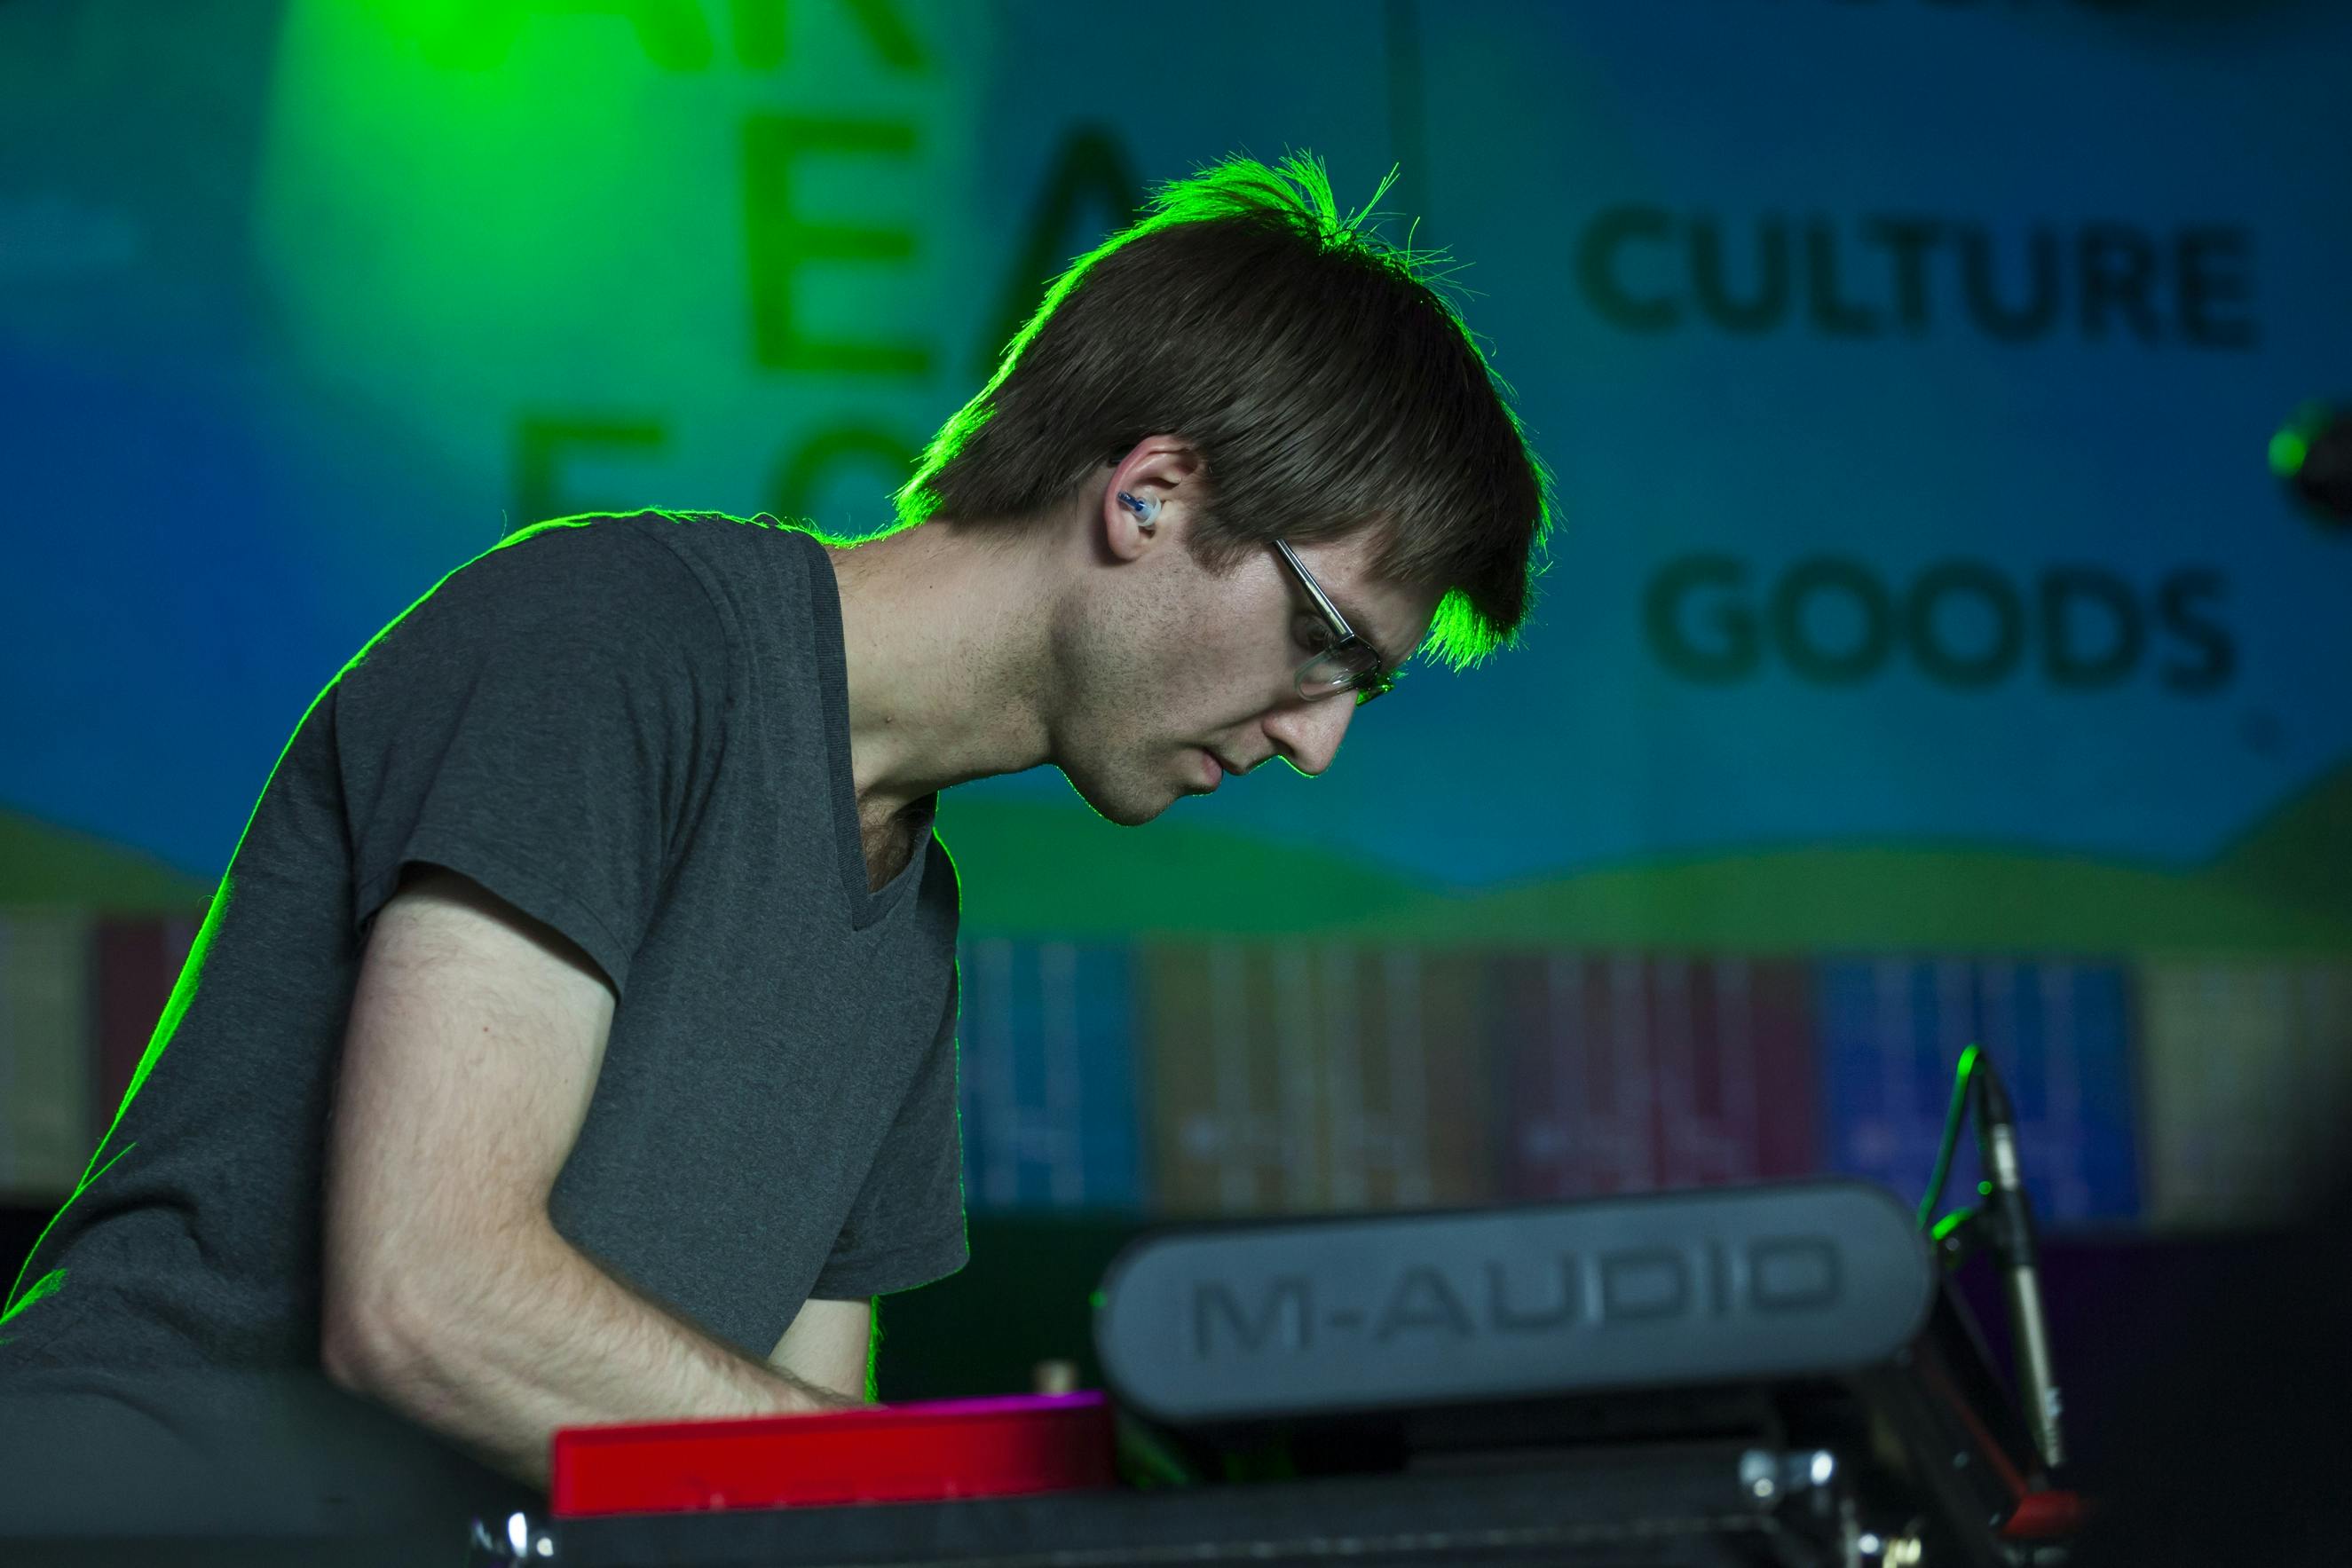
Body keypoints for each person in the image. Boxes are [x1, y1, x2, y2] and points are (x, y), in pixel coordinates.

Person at [0, 151, 1552, 1548]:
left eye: (1359, 690)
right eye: (1323, 641)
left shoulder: (913, 922)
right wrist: (968, 1496)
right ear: (1147, 498)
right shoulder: (616, 643)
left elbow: (795, 1482)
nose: (1316, 741)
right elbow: (426, 1304)